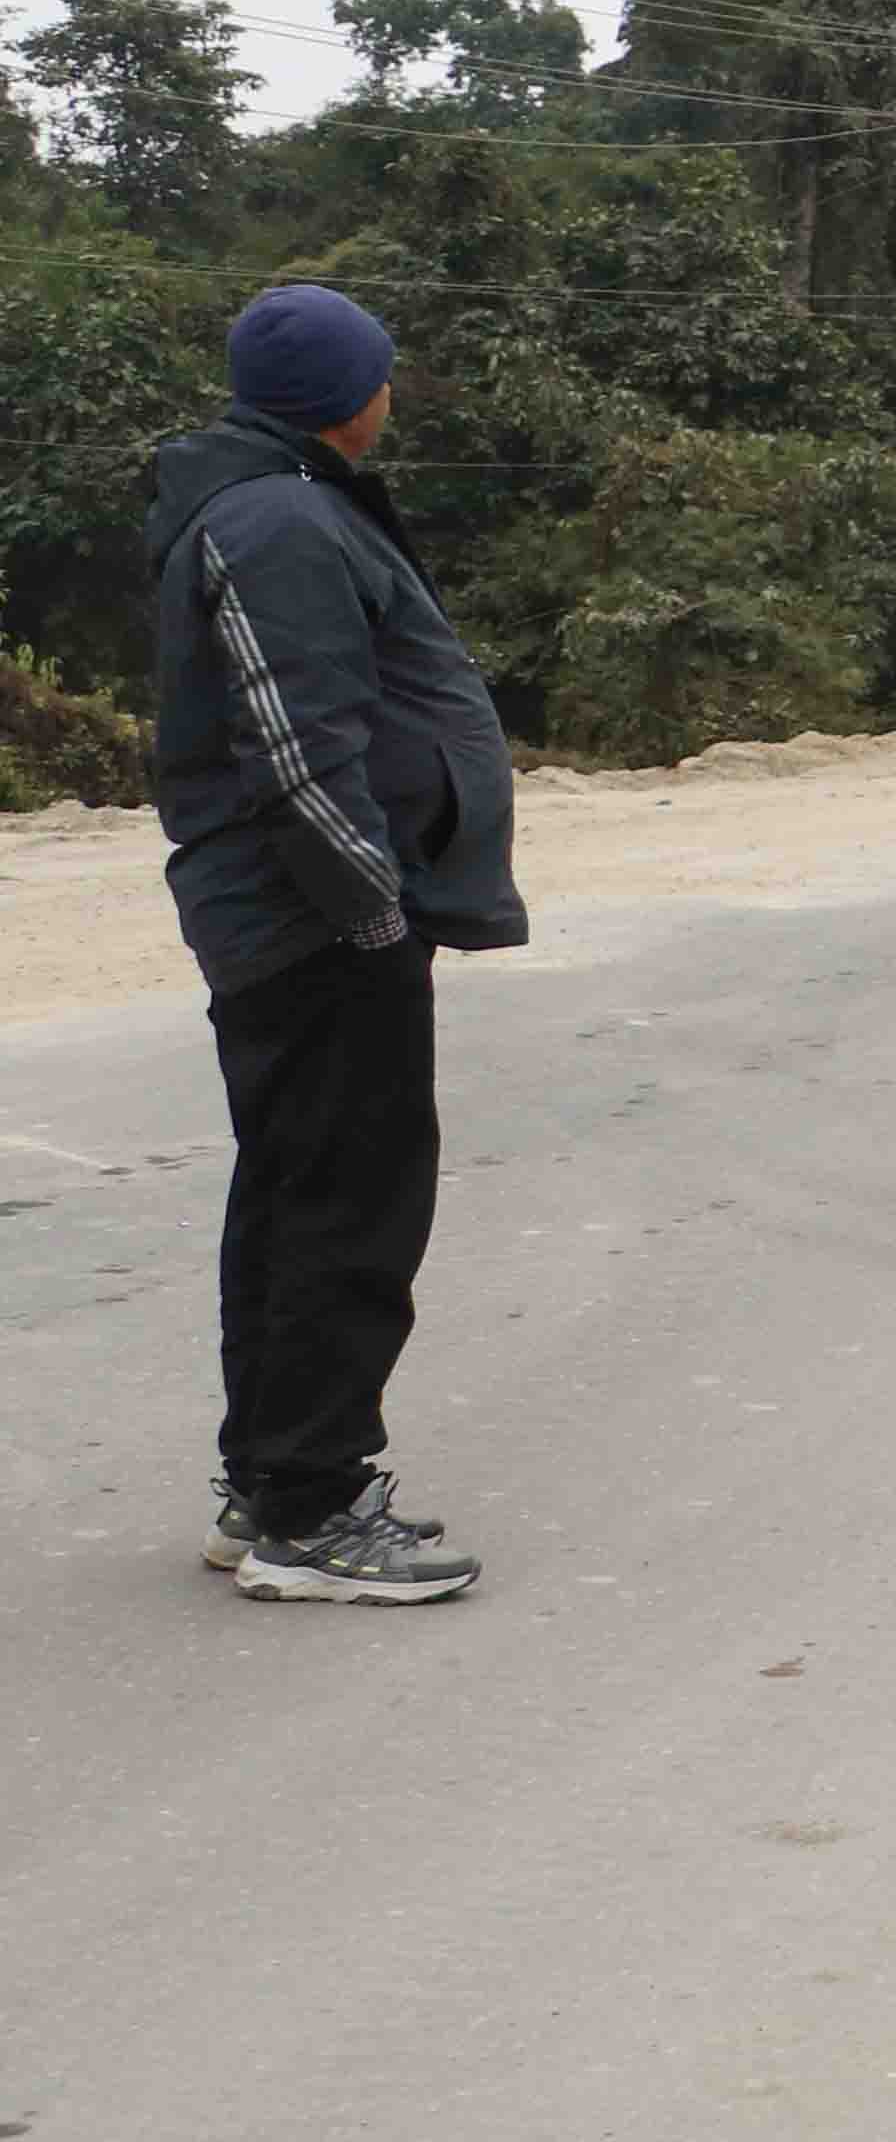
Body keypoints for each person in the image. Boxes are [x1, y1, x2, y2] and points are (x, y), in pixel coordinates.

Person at [146, 283, 516, 1604]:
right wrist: (374, 908)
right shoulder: (279, 516)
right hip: (314, 919)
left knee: (300, 1187)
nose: (393, 389)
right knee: (349, 1200)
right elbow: (300, 749)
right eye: (383, 372)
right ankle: (310, 1506)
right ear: (338, 393)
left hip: (310, 913)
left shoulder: (281, 498)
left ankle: (269, 1482)